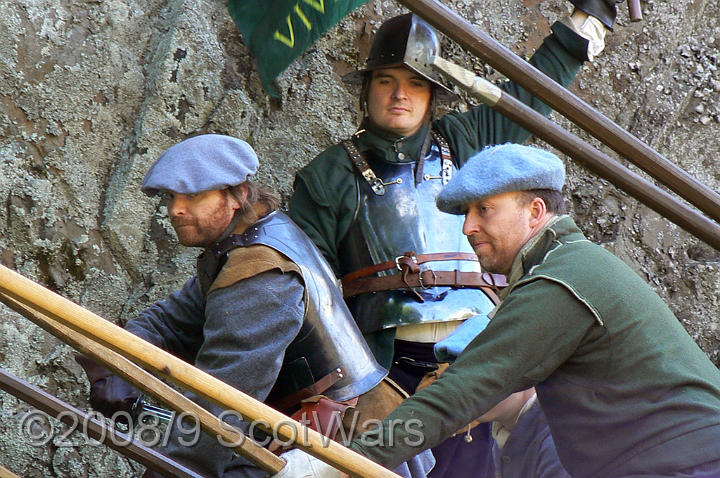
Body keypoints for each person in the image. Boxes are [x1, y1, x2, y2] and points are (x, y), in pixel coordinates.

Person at [288, 3, 619, 477]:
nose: (400, 94)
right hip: (384, 364)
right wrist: (348, 384)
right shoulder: (326, 176)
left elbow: (529, 93)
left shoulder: (464, 139)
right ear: (367, 89)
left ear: (432, 94)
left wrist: (585, 24)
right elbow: (310, 294)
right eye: (386, 80)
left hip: (479, 352)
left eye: (416, 82)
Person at [332, 143, 720, 477]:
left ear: (535, 212)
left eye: (484, 209)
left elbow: (458, 395)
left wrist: (336, 462)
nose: (467, 226)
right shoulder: (566, 267)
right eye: (467, 212)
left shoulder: (561, 280)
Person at [76, 134, 435, 478]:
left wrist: (171, 471)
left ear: (238, 196)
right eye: (170, 197)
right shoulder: (242, 245)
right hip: (297, 427)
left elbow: (222, 401)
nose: (176, 210)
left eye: (193, 196)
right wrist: (114, 363)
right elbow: (168, 323)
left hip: (339, 445)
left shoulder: (262, 273)